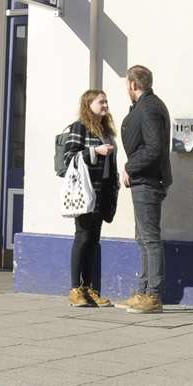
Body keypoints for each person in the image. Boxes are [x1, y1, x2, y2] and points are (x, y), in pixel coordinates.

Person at [55, 90, 120, 307]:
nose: (105, 105)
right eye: (101, 102)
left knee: (93, 241)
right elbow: (69, 157)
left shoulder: (105, 130)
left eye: (106, 101)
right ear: (88, 104)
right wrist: (96, 151)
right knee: (82, 238)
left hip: (102, 193)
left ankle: (90, 289)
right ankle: (75, 290)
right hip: (85, 191)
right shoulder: (79, 127)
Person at [119, 65, 172, 313]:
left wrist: (130, 166)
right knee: (142, 238)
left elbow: (155, 148)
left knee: (149, 239)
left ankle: (152, 295)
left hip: (147, 180)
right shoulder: (146, 106)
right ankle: (142, 291)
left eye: (126, 85)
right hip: (143, 181)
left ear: (132, 85)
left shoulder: (150, 108)